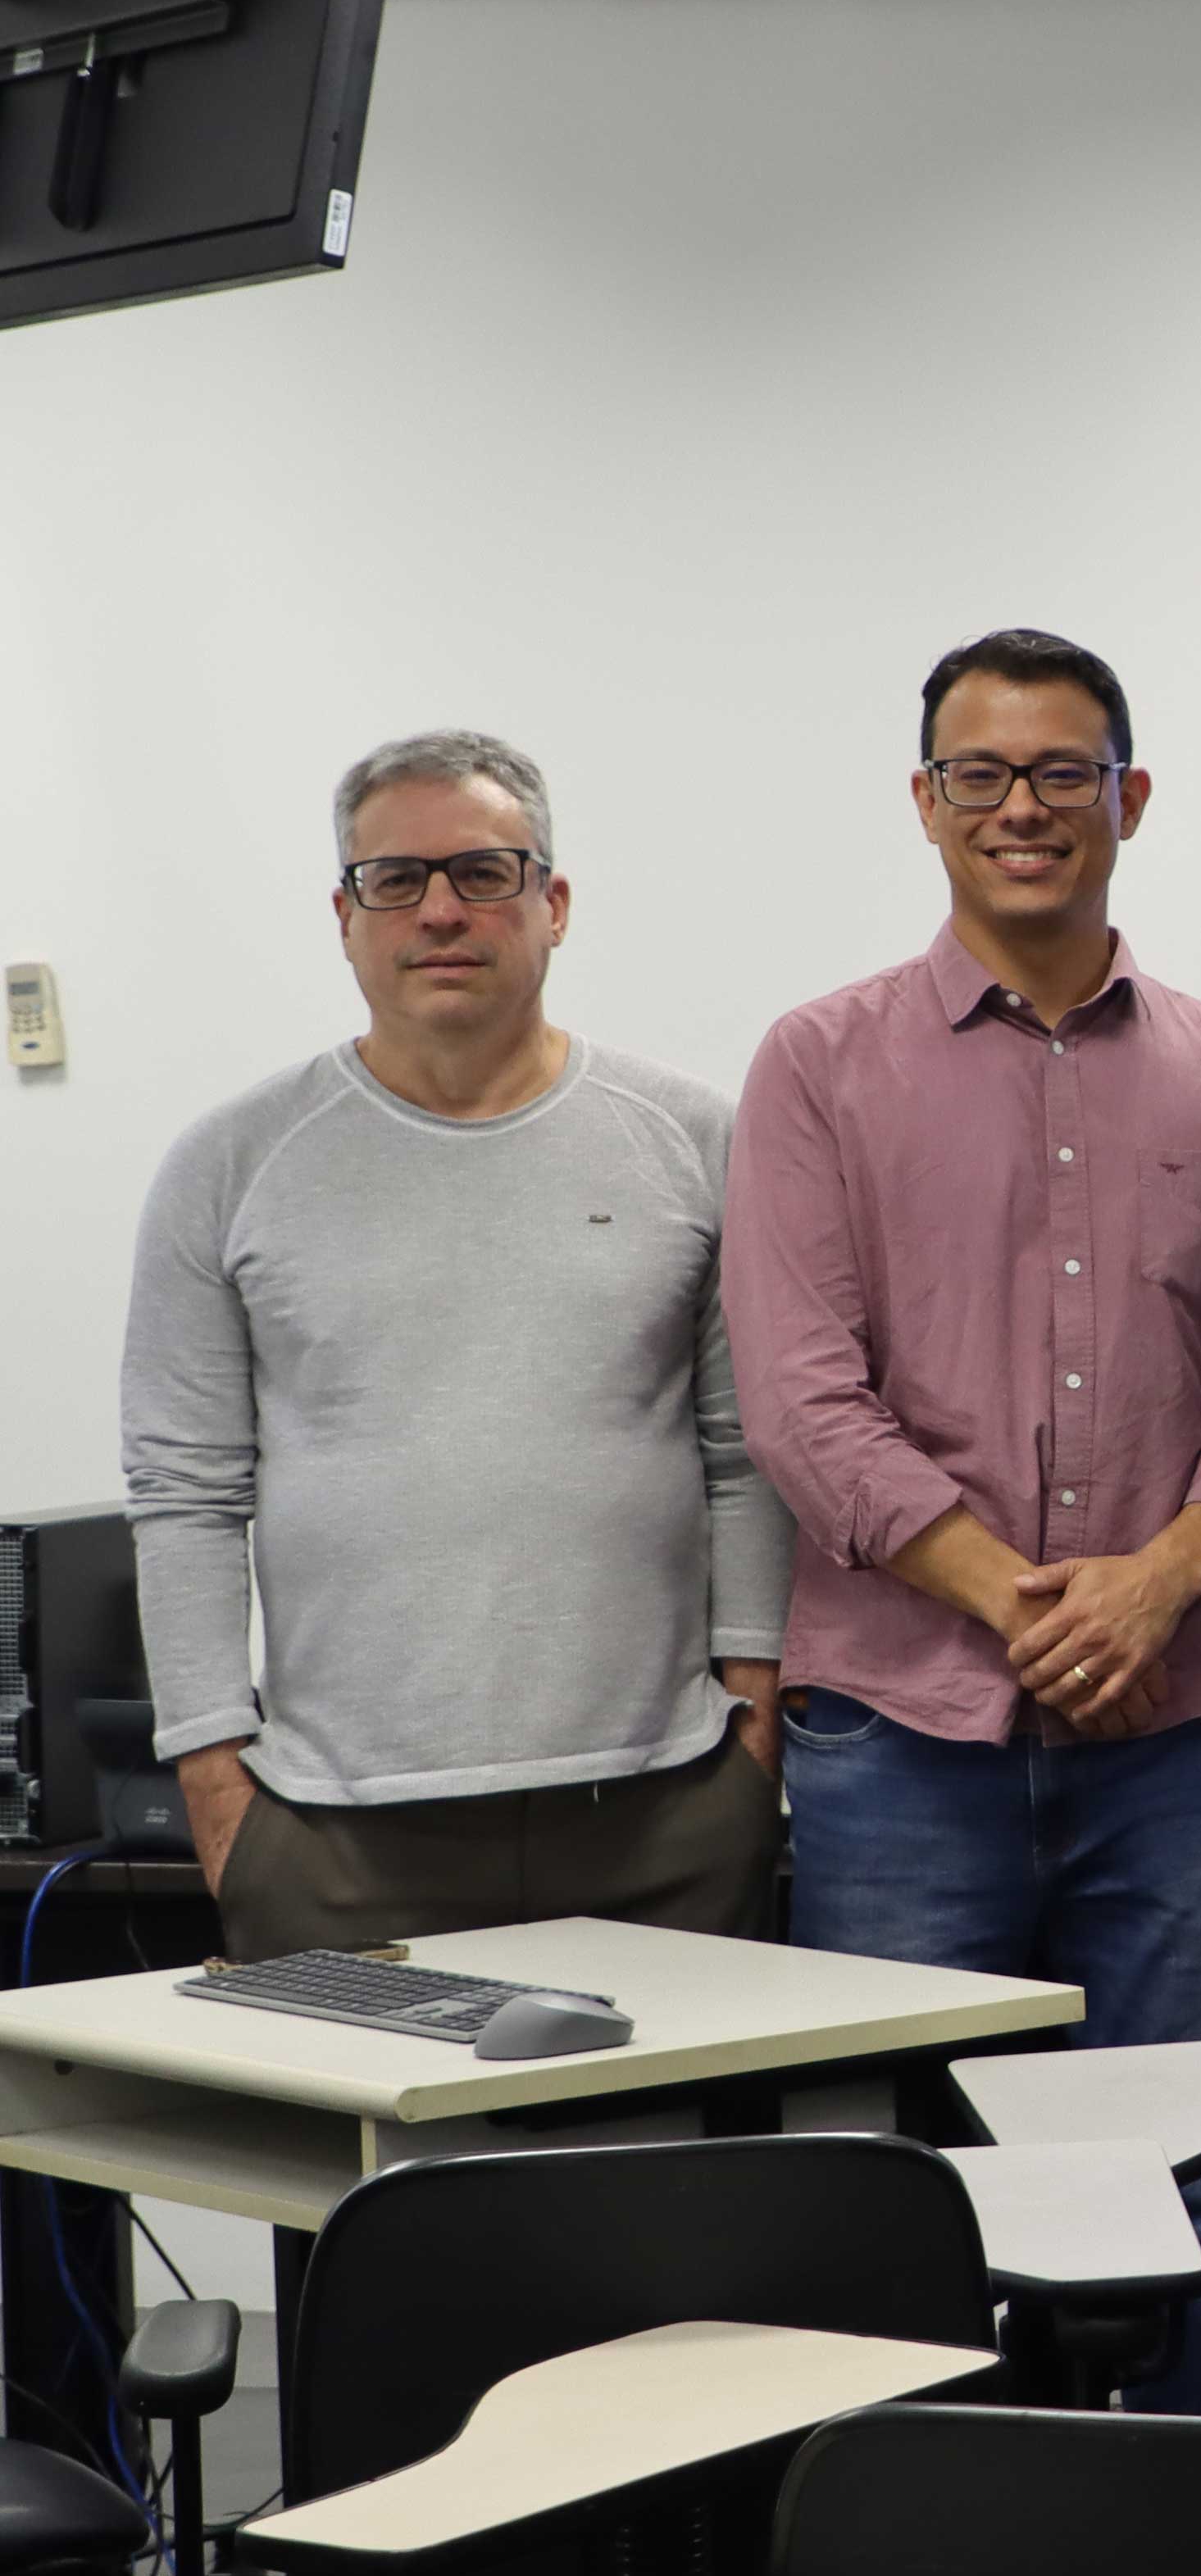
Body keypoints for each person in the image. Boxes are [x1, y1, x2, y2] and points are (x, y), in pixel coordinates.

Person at [731, 633, 1201, 2408]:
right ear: (926, 805)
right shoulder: (817, 1066)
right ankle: (926, 2544)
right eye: (979, 774)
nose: (1023, 808)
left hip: (1178, 1738)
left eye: (1064, 771)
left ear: (1132, 798)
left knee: (1199, 2180)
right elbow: (801, 1400)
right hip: (902, 1744)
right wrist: (1027, 1602)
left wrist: (1159, 1585)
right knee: (898, 2197)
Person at [125, 732, 786, 1958]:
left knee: (696, 2101)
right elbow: (185, 1493)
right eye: (395, 879)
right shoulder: (230, 1165)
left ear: (555, 904)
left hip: (668, 1813)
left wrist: (753, 1723)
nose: (439, 911)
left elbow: (750, 1453)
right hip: (334, 1834)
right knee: (358, 2105)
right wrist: (214, 1778)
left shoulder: (695, 1140)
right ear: (345, 915)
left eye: (484, 872)